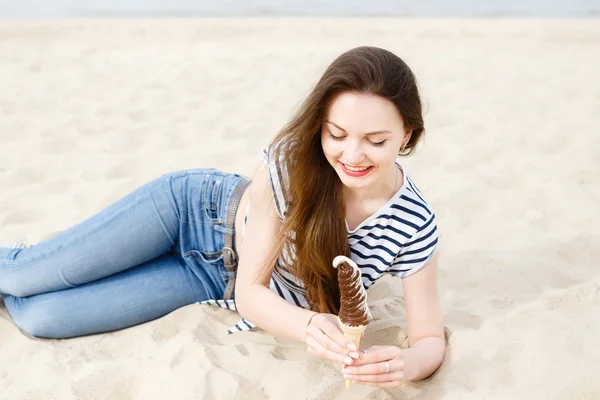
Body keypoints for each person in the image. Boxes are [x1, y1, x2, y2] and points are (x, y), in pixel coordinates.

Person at [0, 46, 444, 387]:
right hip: (191, 213)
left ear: (407, 134)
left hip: (210, 280)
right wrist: (308, 324)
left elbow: (429, 339)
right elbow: (256, 291)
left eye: (375, 140)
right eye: (337, 134)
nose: (352, 155)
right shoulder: (292, 163)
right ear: (321, 126)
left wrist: (405, 364)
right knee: (21, 276)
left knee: (42, 320)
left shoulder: (414, 223)